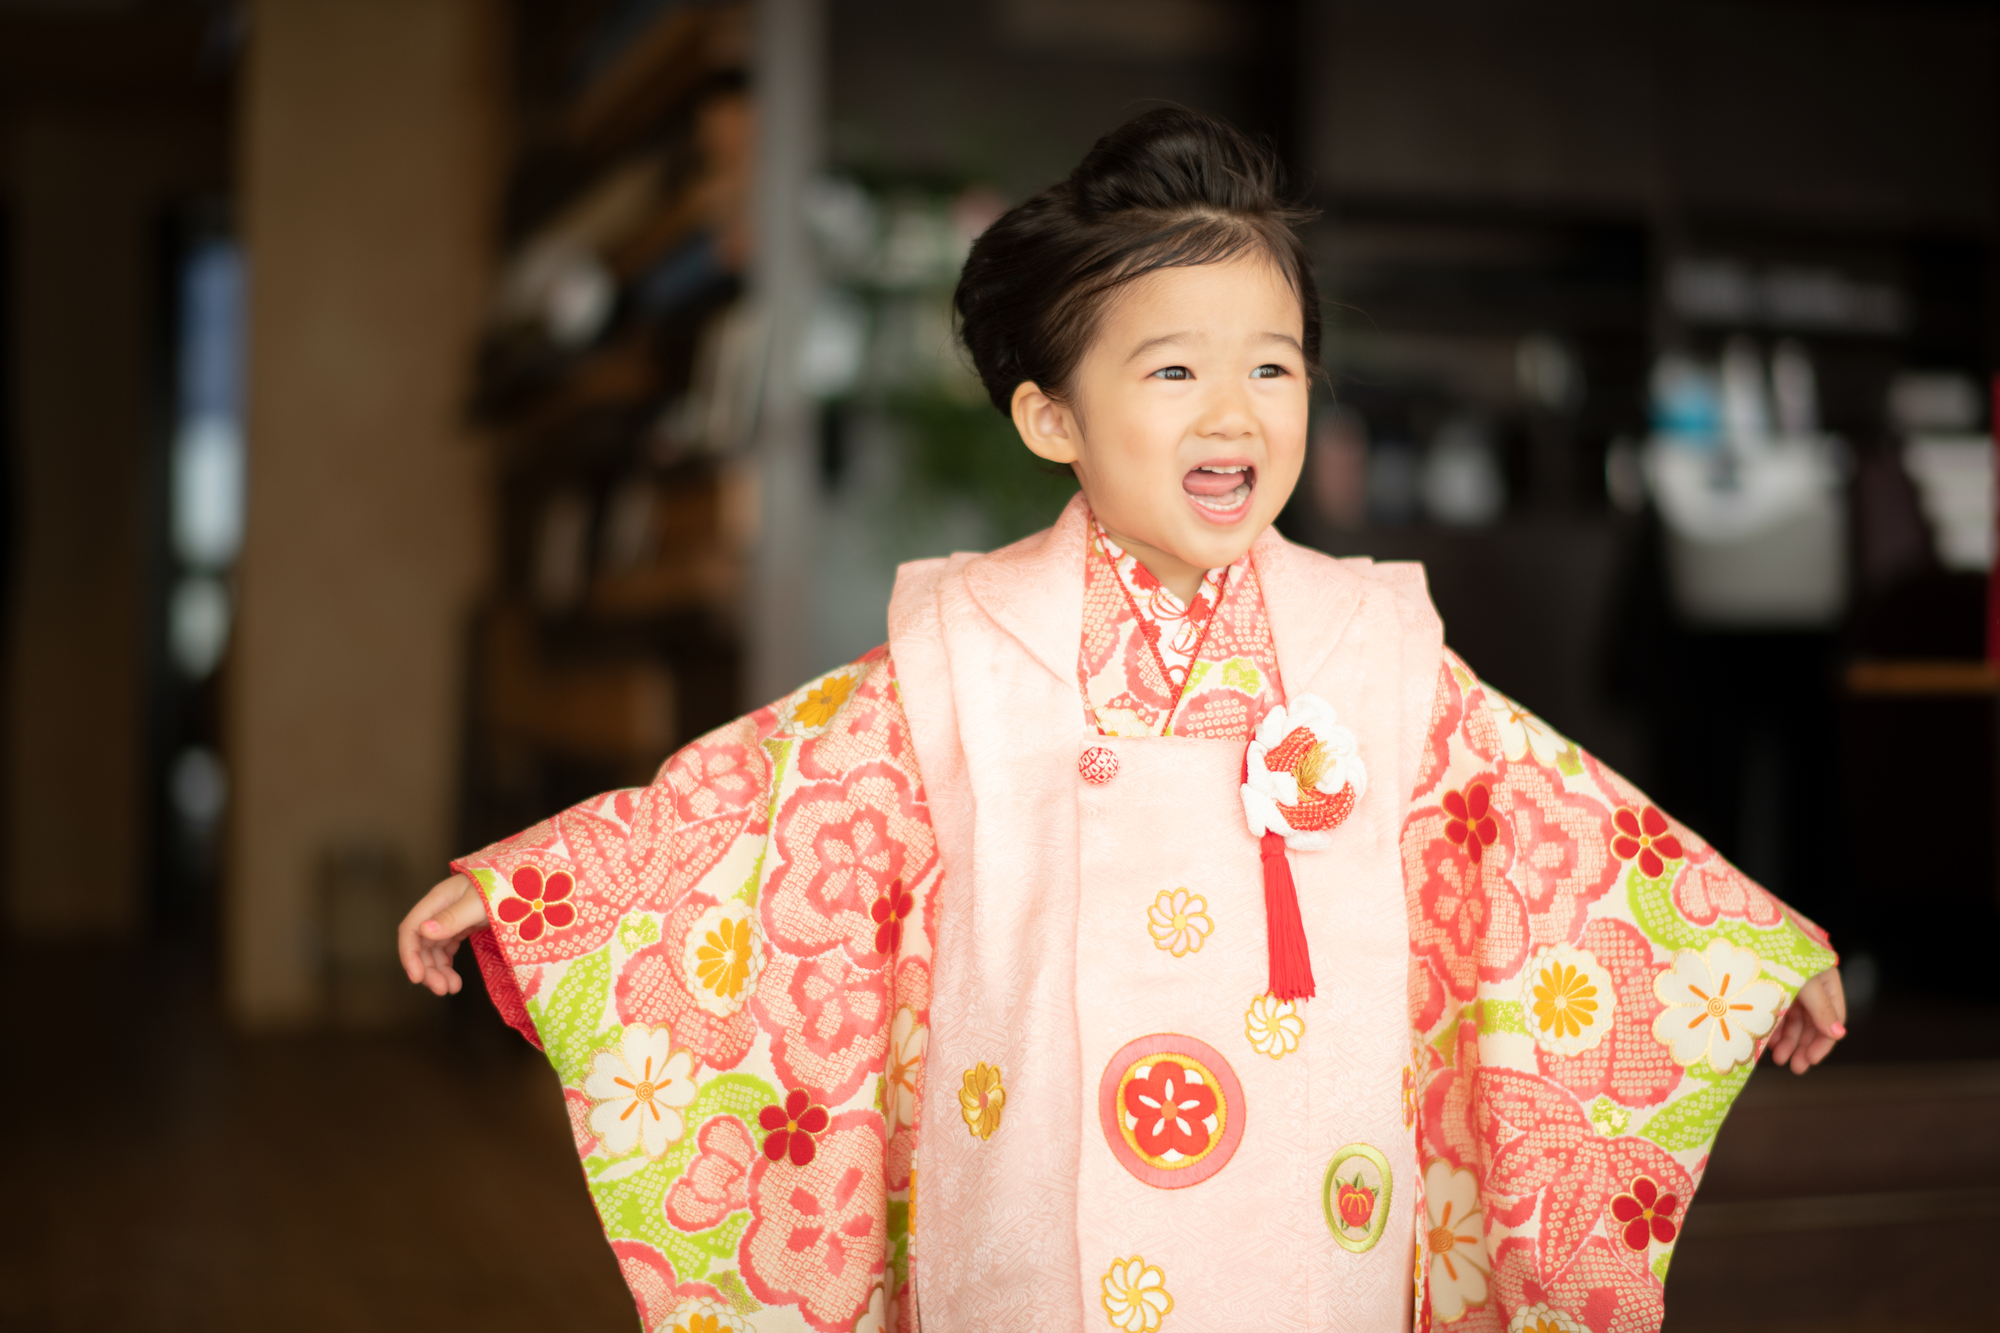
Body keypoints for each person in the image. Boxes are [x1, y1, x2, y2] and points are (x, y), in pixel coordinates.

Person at [399, 108, 1845, 1333]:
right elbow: (763, 810)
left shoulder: (1376, 644)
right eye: (1174, 369)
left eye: (1271, 364)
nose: (1235, 410)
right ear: (1051, 421)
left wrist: (1735, 943)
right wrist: (538, 888)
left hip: (1308, 1207)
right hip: (1030, 1198)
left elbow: (1549, 827)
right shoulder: (964, 646)